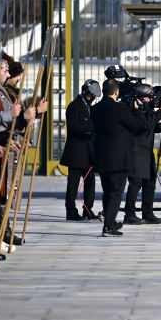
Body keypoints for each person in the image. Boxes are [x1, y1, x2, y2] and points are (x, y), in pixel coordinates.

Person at [92, 79, 146, 236]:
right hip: (119, 158)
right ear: (116, 92)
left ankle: (110, 222)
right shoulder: (120, 108)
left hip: (101, 156)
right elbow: (137, 126)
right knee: (116, 192)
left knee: (108, 191)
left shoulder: (95, 109)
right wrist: (137, 110)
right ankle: (108, 226)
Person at [123, 83, 161, 225]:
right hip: (136, 151)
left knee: (150, 183)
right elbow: (145, 124)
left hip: (147, 151)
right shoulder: (134, 110)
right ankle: (129, 214)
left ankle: (147, 213)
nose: (150, 100)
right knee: (135, 183)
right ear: (140, 98)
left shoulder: (146, 109)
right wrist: (160, 111)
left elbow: (152, 126)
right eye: (148, 98)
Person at [61, 79, 101, 221]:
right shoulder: (74, 106)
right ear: (85, 92)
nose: (93, 99)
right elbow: (75, 127)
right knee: (73, 183)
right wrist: (92, 129)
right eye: (91, 96)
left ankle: (87, 209)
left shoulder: (90, 107)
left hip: (89, 153)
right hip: (76, 153)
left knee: (90, 182)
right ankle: (70, 211)